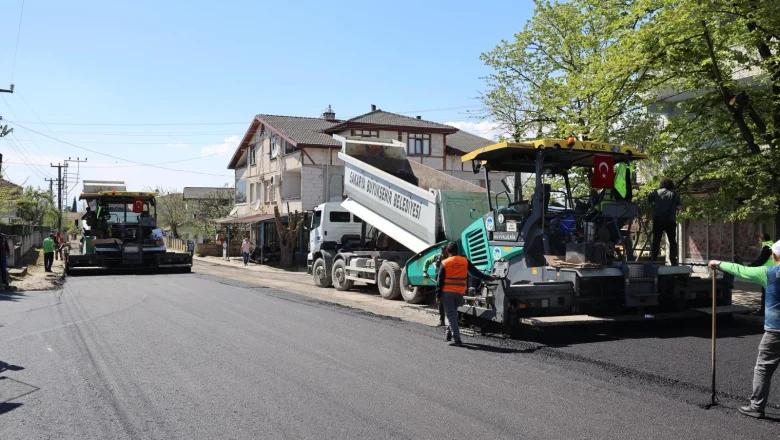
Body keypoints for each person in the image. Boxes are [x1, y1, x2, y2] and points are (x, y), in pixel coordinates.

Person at [709, 243, 780, 419]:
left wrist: (718, 263)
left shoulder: (769, 273)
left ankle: (756, 406)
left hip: (775, 331)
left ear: (775, 256)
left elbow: (741, 271)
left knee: (763, 368)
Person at [436, 242, 495, 347]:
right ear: (457, 251)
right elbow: (476, 273)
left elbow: (439, 281)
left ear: (447, 251)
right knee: (452, 314)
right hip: (459, 293)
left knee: (451, 315)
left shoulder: (445, 263)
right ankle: (448, 335)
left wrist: (438, 295)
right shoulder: (464, 261)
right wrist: (489, 277)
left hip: (447, 293)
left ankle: (457, 340)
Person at [648, 178, 682, 265]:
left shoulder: (656, 192)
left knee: (656, 240)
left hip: (658, 220)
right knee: (672, 240)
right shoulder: (675, 194)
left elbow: (649, 199)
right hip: (670, 220)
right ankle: (673, 259)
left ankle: (654, 258)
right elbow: (679, 208)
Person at [422, 246, 450, 327]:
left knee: (449, 301)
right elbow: (427, 261)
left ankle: (451, 321)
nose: (444, 253)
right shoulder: (437, 257)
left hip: (449, 282)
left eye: (446, 252)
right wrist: (425, 271)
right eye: (443, 252)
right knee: (440, 301)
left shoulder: (452, 258)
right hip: (439, 282)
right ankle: (442, 320)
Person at [749, 233, 775, 315]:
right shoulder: (773, 245)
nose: (759, 240)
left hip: (767, 272)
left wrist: (751, 265)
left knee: (765, 293)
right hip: (775, 272)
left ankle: (763, 311)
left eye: (760, 239)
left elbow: (761, 260)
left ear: (763, 239)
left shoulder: (766, 247)